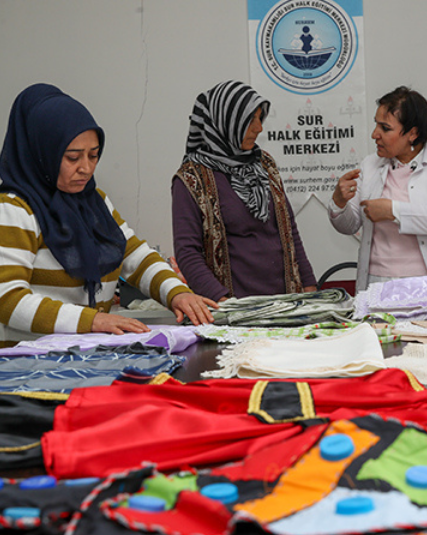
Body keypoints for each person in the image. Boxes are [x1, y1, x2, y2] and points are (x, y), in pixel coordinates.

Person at [0, 84, 216, 345]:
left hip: (83, 356)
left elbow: (135, 256)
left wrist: (177, 293)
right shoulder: (13, 209)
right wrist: (91, 320)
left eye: (94, 155)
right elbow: (7, 298)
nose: (86, 168)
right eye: (72, 157)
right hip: (30, 364)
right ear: (41, 152)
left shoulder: (94, 201)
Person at [172, 81, 316, 302]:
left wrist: (309, 287)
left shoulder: (264, 164)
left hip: (285, 305)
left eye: (260, 118)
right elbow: (188, 253)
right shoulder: (191, 179)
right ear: (226, 121)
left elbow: (289, 231)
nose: (259, 128)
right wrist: (223, 303)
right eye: (251, 119)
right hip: (234, 310)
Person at [328, 86, 427, 291]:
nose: (374, 134)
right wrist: (339, 202)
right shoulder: (369, 165)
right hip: (378, 283)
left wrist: (393, 211)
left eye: (385, 128)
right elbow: (349, 226)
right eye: (376, 125)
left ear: (413, 133)